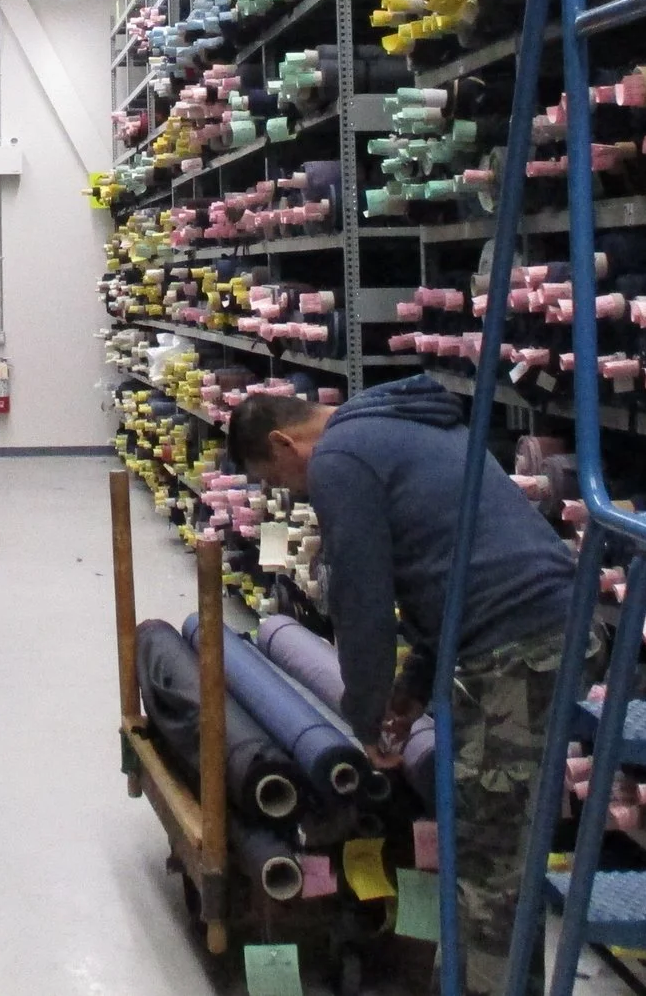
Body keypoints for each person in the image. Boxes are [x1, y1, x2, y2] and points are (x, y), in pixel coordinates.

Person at [231, 378, 578, 996]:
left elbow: (362, 602)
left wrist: (366, 722)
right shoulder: (402, 428)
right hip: (537, 627)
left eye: (280, 482)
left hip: (518, 645)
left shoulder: (339, 459)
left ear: (285, 443)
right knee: (492, 847)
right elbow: (445, 570)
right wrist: (414, 684)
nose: (293, 494)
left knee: (487, 860)